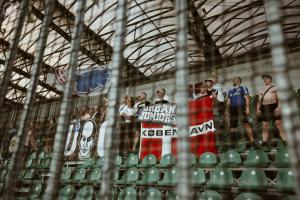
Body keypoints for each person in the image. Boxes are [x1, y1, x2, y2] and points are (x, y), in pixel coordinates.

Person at [256, 74, 287, 148]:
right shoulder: (261, 90)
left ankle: (285, 141)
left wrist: (279, 107)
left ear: (270, 79)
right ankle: (264, 142)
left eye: (266, 78)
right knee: (265, 126)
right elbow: (259, 101)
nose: (264, 80)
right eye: (263, 78)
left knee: (278, 124)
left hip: (273, 106)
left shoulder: (275, 88)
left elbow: (280, 98)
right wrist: (258, 109)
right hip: (264, 108)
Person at [227, 77, 255, 148]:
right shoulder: (230, 91)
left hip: (241, 107)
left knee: (245, 123)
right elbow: (228, 102)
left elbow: (247, 98)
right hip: (233, 109)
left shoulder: (243, 88)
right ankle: (233, 143)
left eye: (235, 79)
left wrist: (248, 108)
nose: (233, 80)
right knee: (232, 126)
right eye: (233, 79)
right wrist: (227, 111)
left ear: (239, 81)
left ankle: (252, 141)